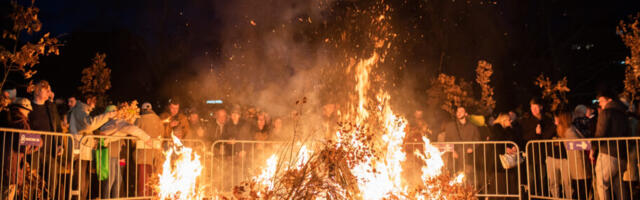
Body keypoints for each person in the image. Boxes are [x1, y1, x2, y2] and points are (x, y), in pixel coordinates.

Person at [69, 93, 115, 199]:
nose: (95, 104)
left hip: (84, 150)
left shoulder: (83, 110)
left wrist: (93, 141)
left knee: (84, 182)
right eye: (94, 101)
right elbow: (88, 124)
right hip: (79, 151)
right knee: (80, 183)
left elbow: (87, 129)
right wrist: (107, 115)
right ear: (89, 100)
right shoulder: (80, 109)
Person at [99, 105, 151, 199]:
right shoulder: (117, 122)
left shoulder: (109, 123)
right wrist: (147, 138)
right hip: (111, 155)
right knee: (111, 180)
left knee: (117, 179)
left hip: (119, 155)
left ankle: (115, 197)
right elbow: (133, 129)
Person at [591, 91, 631, 200]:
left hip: (607, 154)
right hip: (621, 155)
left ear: (609, 100)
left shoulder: (606, 112)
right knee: (619, 186)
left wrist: (593, 149)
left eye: (601, 101)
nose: (600, 104)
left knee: (602, 185)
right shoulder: (624, 114)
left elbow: (600, 133)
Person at [27, 80, 63, 198]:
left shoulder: (50, 107)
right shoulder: (29, 107)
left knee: (52, 182)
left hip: (50, 151)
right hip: (34, 152)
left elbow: (57, 127)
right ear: (37, 90)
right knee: (32, 182)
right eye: (46, 89)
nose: (49, 92)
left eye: (49, 89)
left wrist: (60, 144)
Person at [519, 98, 555, 197]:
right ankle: (533, 196)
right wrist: (535, 133)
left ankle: (543, 195)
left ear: (541, 107)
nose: (534, 110)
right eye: (532, 107)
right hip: (531, 154)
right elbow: (524, 136)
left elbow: (549, 134)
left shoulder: (547, 120)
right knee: (532, 178)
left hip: (544, 153)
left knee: (543, 177)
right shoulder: (526, 121)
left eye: (536, 107)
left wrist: (542, 133)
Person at [488, 113, 522, 199]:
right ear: (503, 120)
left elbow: (512, 139)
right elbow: (496, 143)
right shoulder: (496, 129)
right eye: (508, 120)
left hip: (508, 162)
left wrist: (514, 147)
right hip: (499, 162)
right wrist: (505, 149)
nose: (510, 121)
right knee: (500, 185)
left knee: (509, 183)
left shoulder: (508, 129)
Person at [443, 106, 481, 182]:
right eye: (458, 111)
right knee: (453, 177)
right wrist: (452, 151)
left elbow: (477, 139)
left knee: (468, 177)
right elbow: (447, 140)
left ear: (466, 114)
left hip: (468, 157)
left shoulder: (472, 127)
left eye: (461, 111)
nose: (459, 113)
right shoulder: (450, 126)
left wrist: (472, 148)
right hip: (454, 157)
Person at [134, 102, 164, 196]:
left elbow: (134, 134)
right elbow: (162, 134)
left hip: (142, 154)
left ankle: (143, 197)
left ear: (142, 110)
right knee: (154, 178)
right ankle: (153, 196)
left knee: (143, 180)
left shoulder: (139, 119)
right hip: (155, 154)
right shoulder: (158, 120)